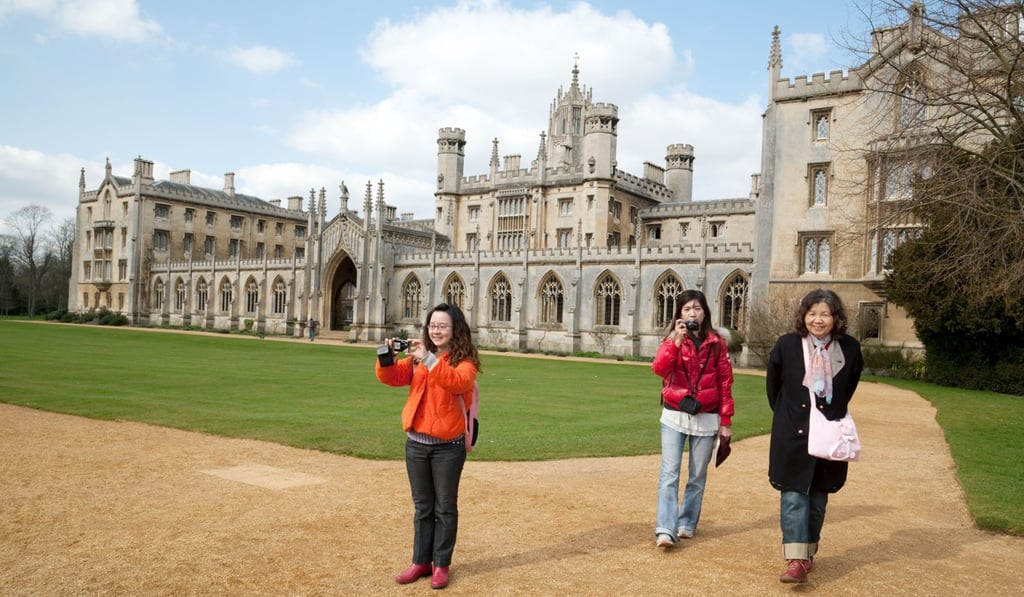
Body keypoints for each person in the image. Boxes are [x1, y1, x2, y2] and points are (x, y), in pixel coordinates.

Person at [375, 303, 480, 590]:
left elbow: (457, 383)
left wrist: (428, 359)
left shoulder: (465, 361)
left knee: (444, 508)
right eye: (433, 325)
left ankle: (441, 565)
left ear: (455, 330)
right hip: (417, 445)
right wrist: (386, 357)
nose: (436, 330)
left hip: (448, 447)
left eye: (442, 326)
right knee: (423, 507)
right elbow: (392, 378)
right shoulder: (420, 359)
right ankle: (421, 562)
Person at [766, 288, 864, 583]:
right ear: (803, 315)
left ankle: (808, 553)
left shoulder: (849, 348)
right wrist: (789, 417)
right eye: (812, 313)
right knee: (794, 494)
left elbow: (849, 388)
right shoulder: (787, 345)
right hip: (793, 430)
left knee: (818, 498)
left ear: (836, 318)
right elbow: (774, 388)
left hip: (829, 431)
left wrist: (828, 415)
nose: (817, 320)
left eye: (824, 314)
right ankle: (795, 560)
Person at [651, 289, 734, 548]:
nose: (692, 313)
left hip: (706, 416)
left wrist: (726, 421)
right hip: (675, 414)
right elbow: (659, 369)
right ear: (679, 314)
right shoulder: (672, 340)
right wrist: (675, 340)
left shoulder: (717, 342)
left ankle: (686, 522)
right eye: (686, 309)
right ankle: (665, 528)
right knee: (669, 473)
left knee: (697, 475)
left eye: (696, 308)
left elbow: (724, 381)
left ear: (705, 312)